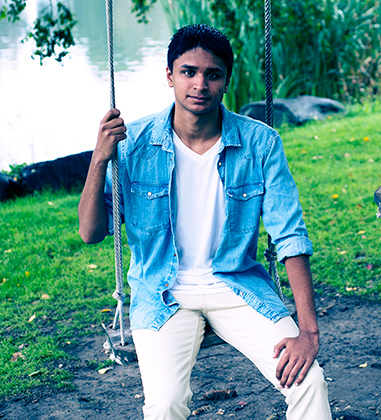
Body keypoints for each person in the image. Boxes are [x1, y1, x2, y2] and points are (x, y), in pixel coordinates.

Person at [78, 24, 331, 419]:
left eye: (212, 74)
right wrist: (99, 159)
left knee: (308, 381)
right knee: (165, 405)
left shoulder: (261, 144)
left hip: (237, 286)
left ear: (226, 80)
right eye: (188, 72)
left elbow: (290, 235)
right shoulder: (133, 144)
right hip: (162, 293)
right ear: (169, 76)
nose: (200, 84)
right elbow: (90, 232)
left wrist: (309, 333)